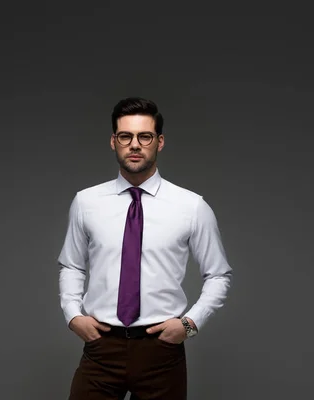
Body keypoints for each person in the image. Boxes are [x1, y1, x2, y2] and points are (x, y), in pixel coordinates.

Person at [57, 97, 233, 399]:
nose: (134, 145)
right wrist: (73, 315)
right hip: (102, 347)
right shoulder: (86, 203)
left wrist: (189, 325)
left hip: (161, 351)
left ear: (159, 142)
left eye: (144, 136)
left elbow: (218, 275)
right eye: (125, 136)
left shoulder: (191, 207)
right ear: (114, 142)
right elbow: (72, 265)